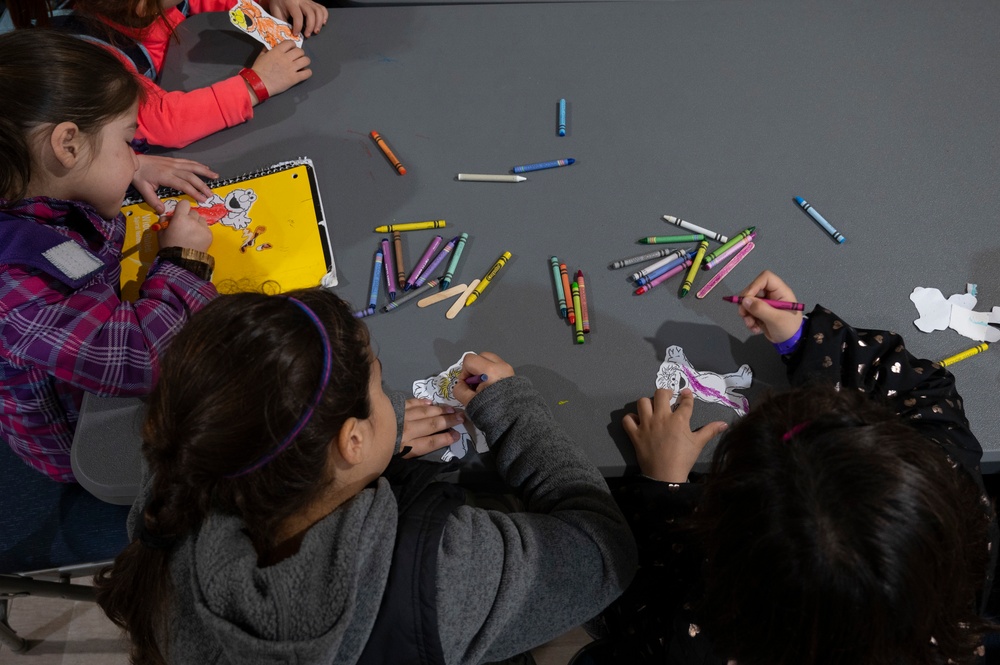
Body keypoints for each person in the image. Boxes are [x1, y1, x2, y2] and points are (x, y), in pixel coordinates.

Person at [93, 288, 637, 665]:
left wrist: (353, 439)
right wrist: (514, 412)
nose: (394, 402)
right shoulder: (444, 574)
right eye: (381, 393)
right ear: (349, 442)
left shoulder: (175, 486)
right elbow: (604, 554)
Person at [599, 270, 998, 665]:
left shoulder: (702, 639)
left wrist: (663, 486)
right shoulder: (954, 503)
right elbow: (923, 391)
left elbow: (637, 598)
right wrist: (805, 339)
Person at [0, 30, 218, 481]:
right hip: (88, 438)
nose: (134, 156)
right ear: (67, 145)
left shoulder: (32, 183)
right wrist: (182, 262)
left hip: (103, 352)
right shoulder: (12, 286)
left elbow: (80, 246)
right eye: (127, 142)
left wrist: (124, 168)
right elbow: (143, 359)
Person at [7, 0, 325, 148]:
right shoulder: (96, 63)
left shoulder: (141, 5)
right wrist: (256, 84)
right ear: (146, 8)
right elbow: (167, 122)